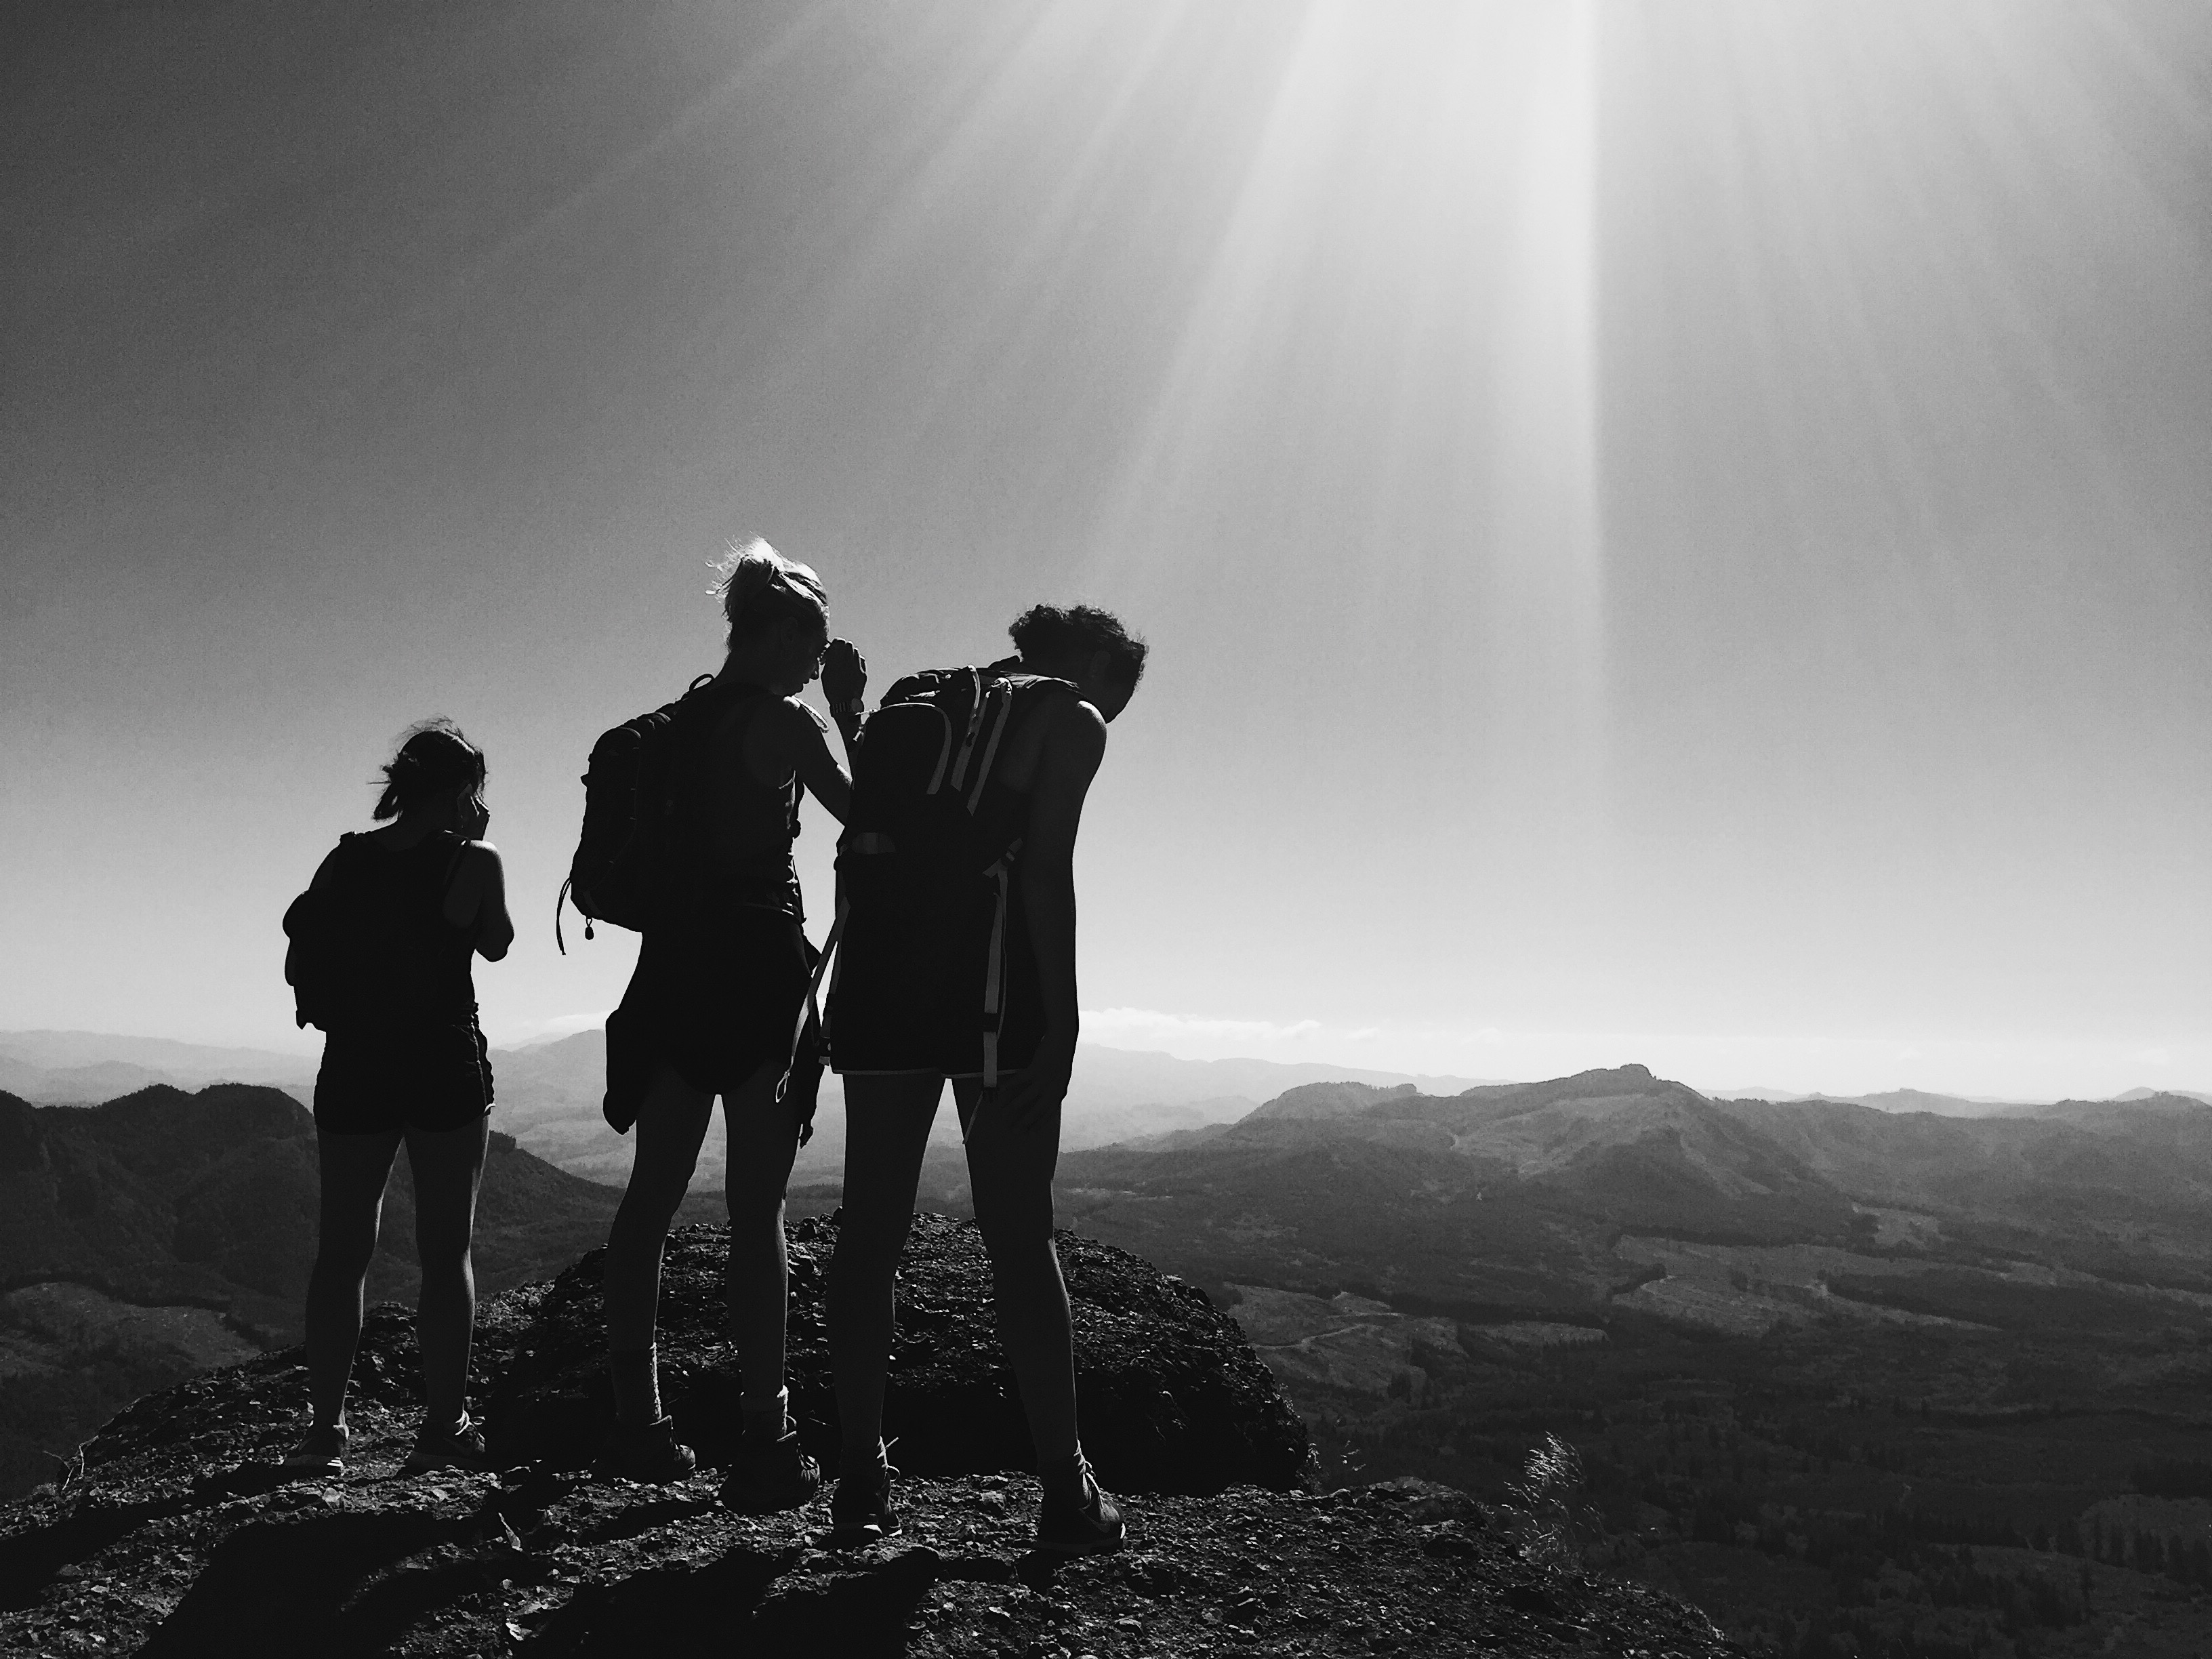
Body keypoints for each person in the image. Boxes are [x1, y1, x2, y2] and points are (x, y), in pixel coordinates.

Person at [823, 602, 1146, 1553]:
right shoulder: (1066, 717)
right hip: (993, 987)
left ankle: (859, 1480)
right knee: (1018, 1235)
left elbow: (881, 822)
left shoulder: (919, 698)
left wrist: (848, 712)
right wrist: (1069, 1019)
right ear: (1093, 665)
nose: (1113, 717)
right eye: (1118, 695)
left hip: (880, 979)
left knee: (869, 1229)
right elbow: (1044, 870)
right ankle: (1064, 1489)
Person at [596, 539, 855, 1511]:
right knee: (758, 1214)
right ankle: (765, 1432)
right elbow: (870, 821)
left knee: (649, 1201)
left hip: (671, 976)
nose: (816, 662)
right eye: (815, 644)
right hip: (756, 983)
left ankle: (637, 1419)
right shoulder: (788, 725)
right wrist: (852, 712)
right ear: (780, 632)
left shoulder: (675, 727)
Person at [284, 720, 514, 1477]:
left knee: (342, 1251)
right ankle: (443, 1427)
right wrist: (475, 839)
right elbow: (497, 942)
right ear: (460, 791)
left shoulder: (345, 858)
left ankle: (325, 1432)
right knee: (446, 1252)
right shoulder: (473, 860)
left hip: (356, 1062)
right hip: (443, 1061)